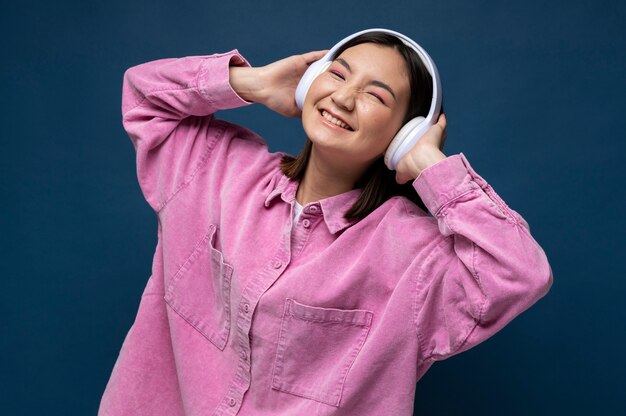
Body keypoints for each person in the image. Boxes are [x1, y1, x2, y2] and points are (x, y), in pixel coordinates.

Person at [99, 29, 553, 416]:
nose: (344, 97)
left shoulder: (414, 256)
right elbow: (145, 97)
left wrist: (431, 165)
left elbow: (519, 272)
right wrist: (252, 83)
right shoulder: (216, 169)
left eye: (376, 95)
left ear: (404, 132)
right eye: (337, 74)